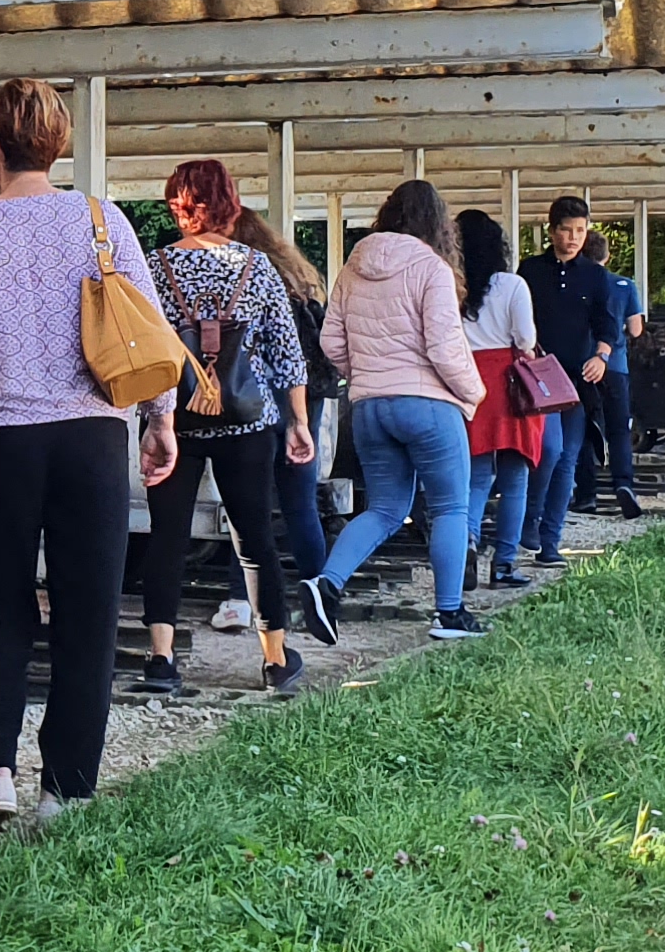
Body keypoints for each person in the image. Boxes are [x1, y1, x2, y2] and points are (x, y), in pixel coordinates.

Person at [0, 78, 173, 825]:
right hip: (90, 436)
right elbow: (147, 329)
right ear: (55, 145)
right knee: (88, 613)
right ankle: (64, 789)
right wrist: (159, 418)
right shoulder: (102, 219)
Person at [141, 159, 311, 698]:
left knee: (167, 535)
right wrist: (299, 421)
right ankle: (275, 659)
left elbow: (142, 349)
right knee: (254, 536)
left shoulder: (153, 267)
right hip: (247, 420)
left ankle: (161, 658)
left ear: (178, 206)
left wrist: (151, 417)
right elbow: (287, 353)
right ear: (229, 204)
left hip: (175, 419)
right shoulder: (256, 267)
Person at [304, 179, 485, 642]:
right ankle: (449, 614)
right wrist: (474, 391)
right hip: (428, 406)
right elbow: (444, 348)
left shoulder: (353, 267)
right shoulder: (431, 267)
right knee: (450, 507)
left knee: (384, 508)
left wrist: (367, 375)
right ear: (437, 223)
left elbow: (330, 340)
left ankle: (327, 584)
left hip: (369, 407)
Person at [228, 203, 335, 594]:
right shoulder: (298, 277)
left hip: (251, 395)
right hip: (303, 394)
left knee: (247, 505)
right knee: (300, 503)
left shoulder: (239, 275)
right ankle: (318, 590)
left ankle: (242, 597)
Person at [517, 198, 617, 565]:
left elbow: (607, 325)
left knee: (566, 458)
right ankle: (529, 519)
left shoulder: (595, 275)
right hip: (535, 380)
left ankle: (550, 542)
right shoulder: (529, 271)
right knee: (545, 453)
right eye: (566, 229)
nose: (573, 237)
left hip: (577, 382)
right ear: (551, 230)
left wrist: (601, 357)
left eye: (580, 230)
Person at [458, 209, 552, 586]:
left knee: (476, 477)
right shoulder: (513, 285)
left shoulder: (451, 286)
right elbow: (526, 339)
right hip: (510, 383)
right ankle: (504, 564)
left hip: (467, 382)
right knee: (515, 478)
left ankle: (466, 542)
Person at [584, 249, 647, 516]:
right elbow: (636, 329)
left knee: (584, 429)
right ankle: (623, 483)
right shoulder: (624, 285)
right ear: (607, 256)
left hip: (582, 365)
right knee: (619, 429)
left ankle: (586, 494)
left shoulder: (578, 282)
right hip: (616, 365)